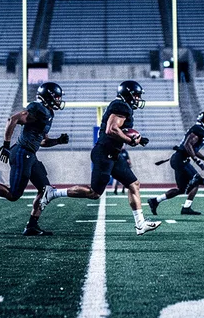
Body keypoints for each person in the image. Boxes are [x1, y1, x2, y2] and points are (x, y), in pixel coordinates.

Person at [41, 80, 161, 235]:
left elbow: (117, 130)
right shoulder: (121, 106)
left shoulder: (122, 107)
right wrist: (131, 139)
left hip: (113, 154)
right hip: (104, 154)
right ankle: (53, 193)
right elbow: (112, 130)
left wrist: (138, 138)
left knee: (133, 184)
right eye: (136, 95)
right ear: (129, 94)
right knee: (94, 193)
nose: (138, 99)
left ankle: (140, 224)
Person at [0, 82, 69, 236]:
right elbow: (13, 119)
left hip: (30, 154)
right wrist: (5, 144)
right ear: (48, 97)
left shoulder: (48, 113)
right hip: (22, 153)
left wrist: (58, 141)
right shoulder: (38, 109)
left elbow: (42, 141)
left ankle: (32, 226)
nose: (59, 100)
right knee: (13, 195)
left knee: (45, 190)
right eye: (56, 97)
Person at [148, 111, 204, 216]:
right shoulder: (199, 129)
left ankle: (155, 201)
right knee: (196, 181)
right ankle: (186, 208)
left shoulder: (199, 129)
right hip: (181, 160)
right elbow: (187, 144)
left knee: (181, 189)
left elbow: (192, 147)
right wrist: (197, 160)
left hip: (179, 159)